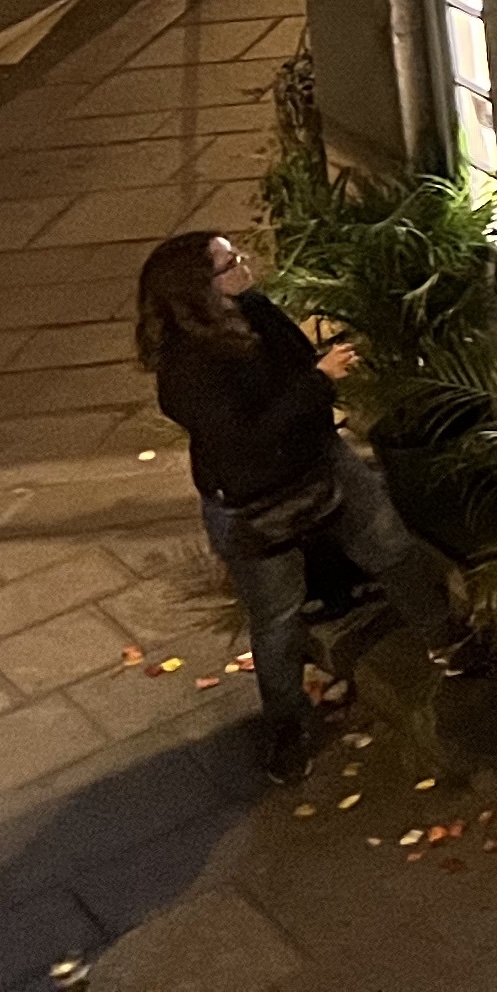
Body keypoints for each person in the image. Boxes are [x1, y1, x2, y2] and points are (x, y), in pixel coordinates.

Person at [138, 230, 470, 782]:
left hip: (318, 460)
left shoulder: (253, 310)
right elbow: (245, 438)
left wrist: (311, 376)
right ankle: (287, 728)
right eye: (228, 263)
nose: (244, 264)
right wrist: (318, 380)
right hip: (255, 502)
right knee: (276, 619)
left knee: (390, 546)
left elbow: (293, 359)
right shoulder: (188, 369)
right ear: (199, 291)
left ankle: (446, 640)